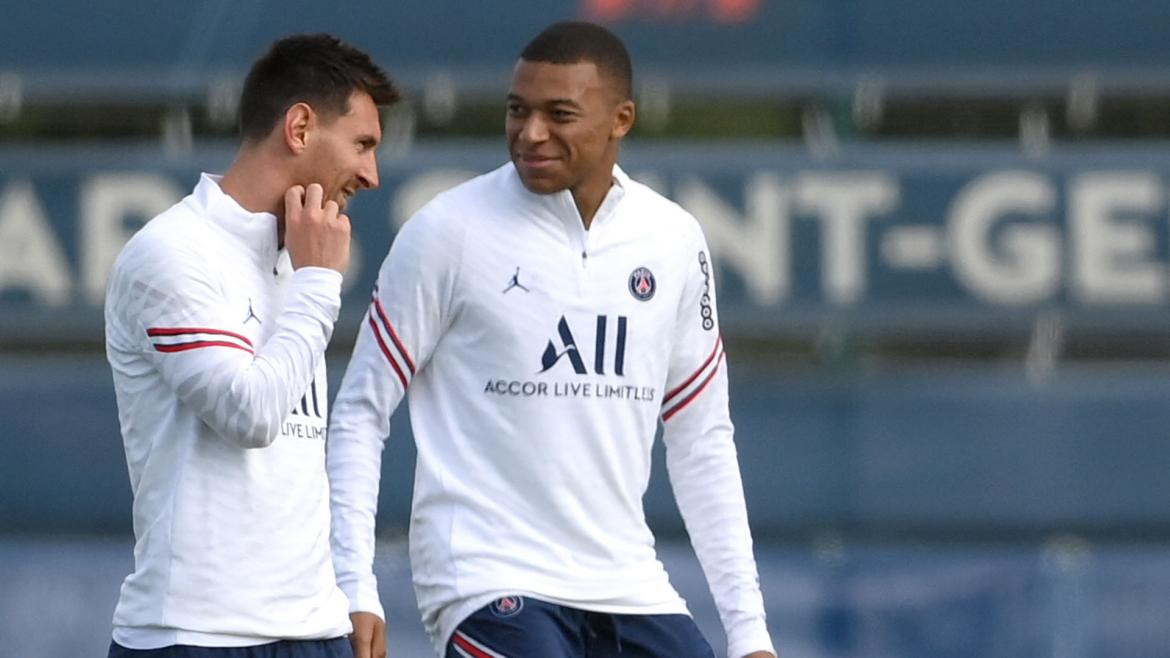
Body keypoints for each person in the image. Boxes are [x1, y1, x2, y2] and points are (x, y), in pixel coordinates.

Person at [328, 20, 776, 658]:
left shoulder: (674, 239)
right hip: (486, 579)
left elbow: (703, 441)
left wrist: (750, 631)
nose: (530, 132)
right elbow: (359, 413)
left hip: (630, 585)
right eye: (518, 110)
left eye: (559, 114)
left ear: (621, 119)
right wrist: (354, 583)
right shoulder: (445, 231)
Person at [103, 33, 398, 658]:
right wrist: (319, 283)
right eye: (363, 144)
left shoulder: (298, 258)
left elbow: (305, 460)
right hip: (195, 638)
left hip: (317, 631)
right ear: (299, 127)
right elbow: (251, 414)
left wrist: (353, 586)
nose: (372, 174)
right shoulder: (170, 253)